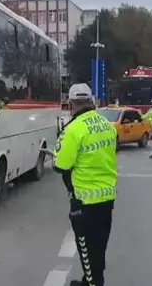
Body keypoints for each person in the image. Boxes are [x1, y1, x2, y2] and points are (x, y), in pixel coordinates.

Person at [51, 83, 118, 286]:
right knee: (99, 247)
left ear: (71, 103)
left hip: (84, 200)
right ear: (91, 101)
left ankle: (92, 283)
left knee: (87, 252)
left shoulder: (73, 129)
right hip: (107, 197)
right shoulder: (107, 125)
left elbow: (61, 165)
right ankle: (93, 280)